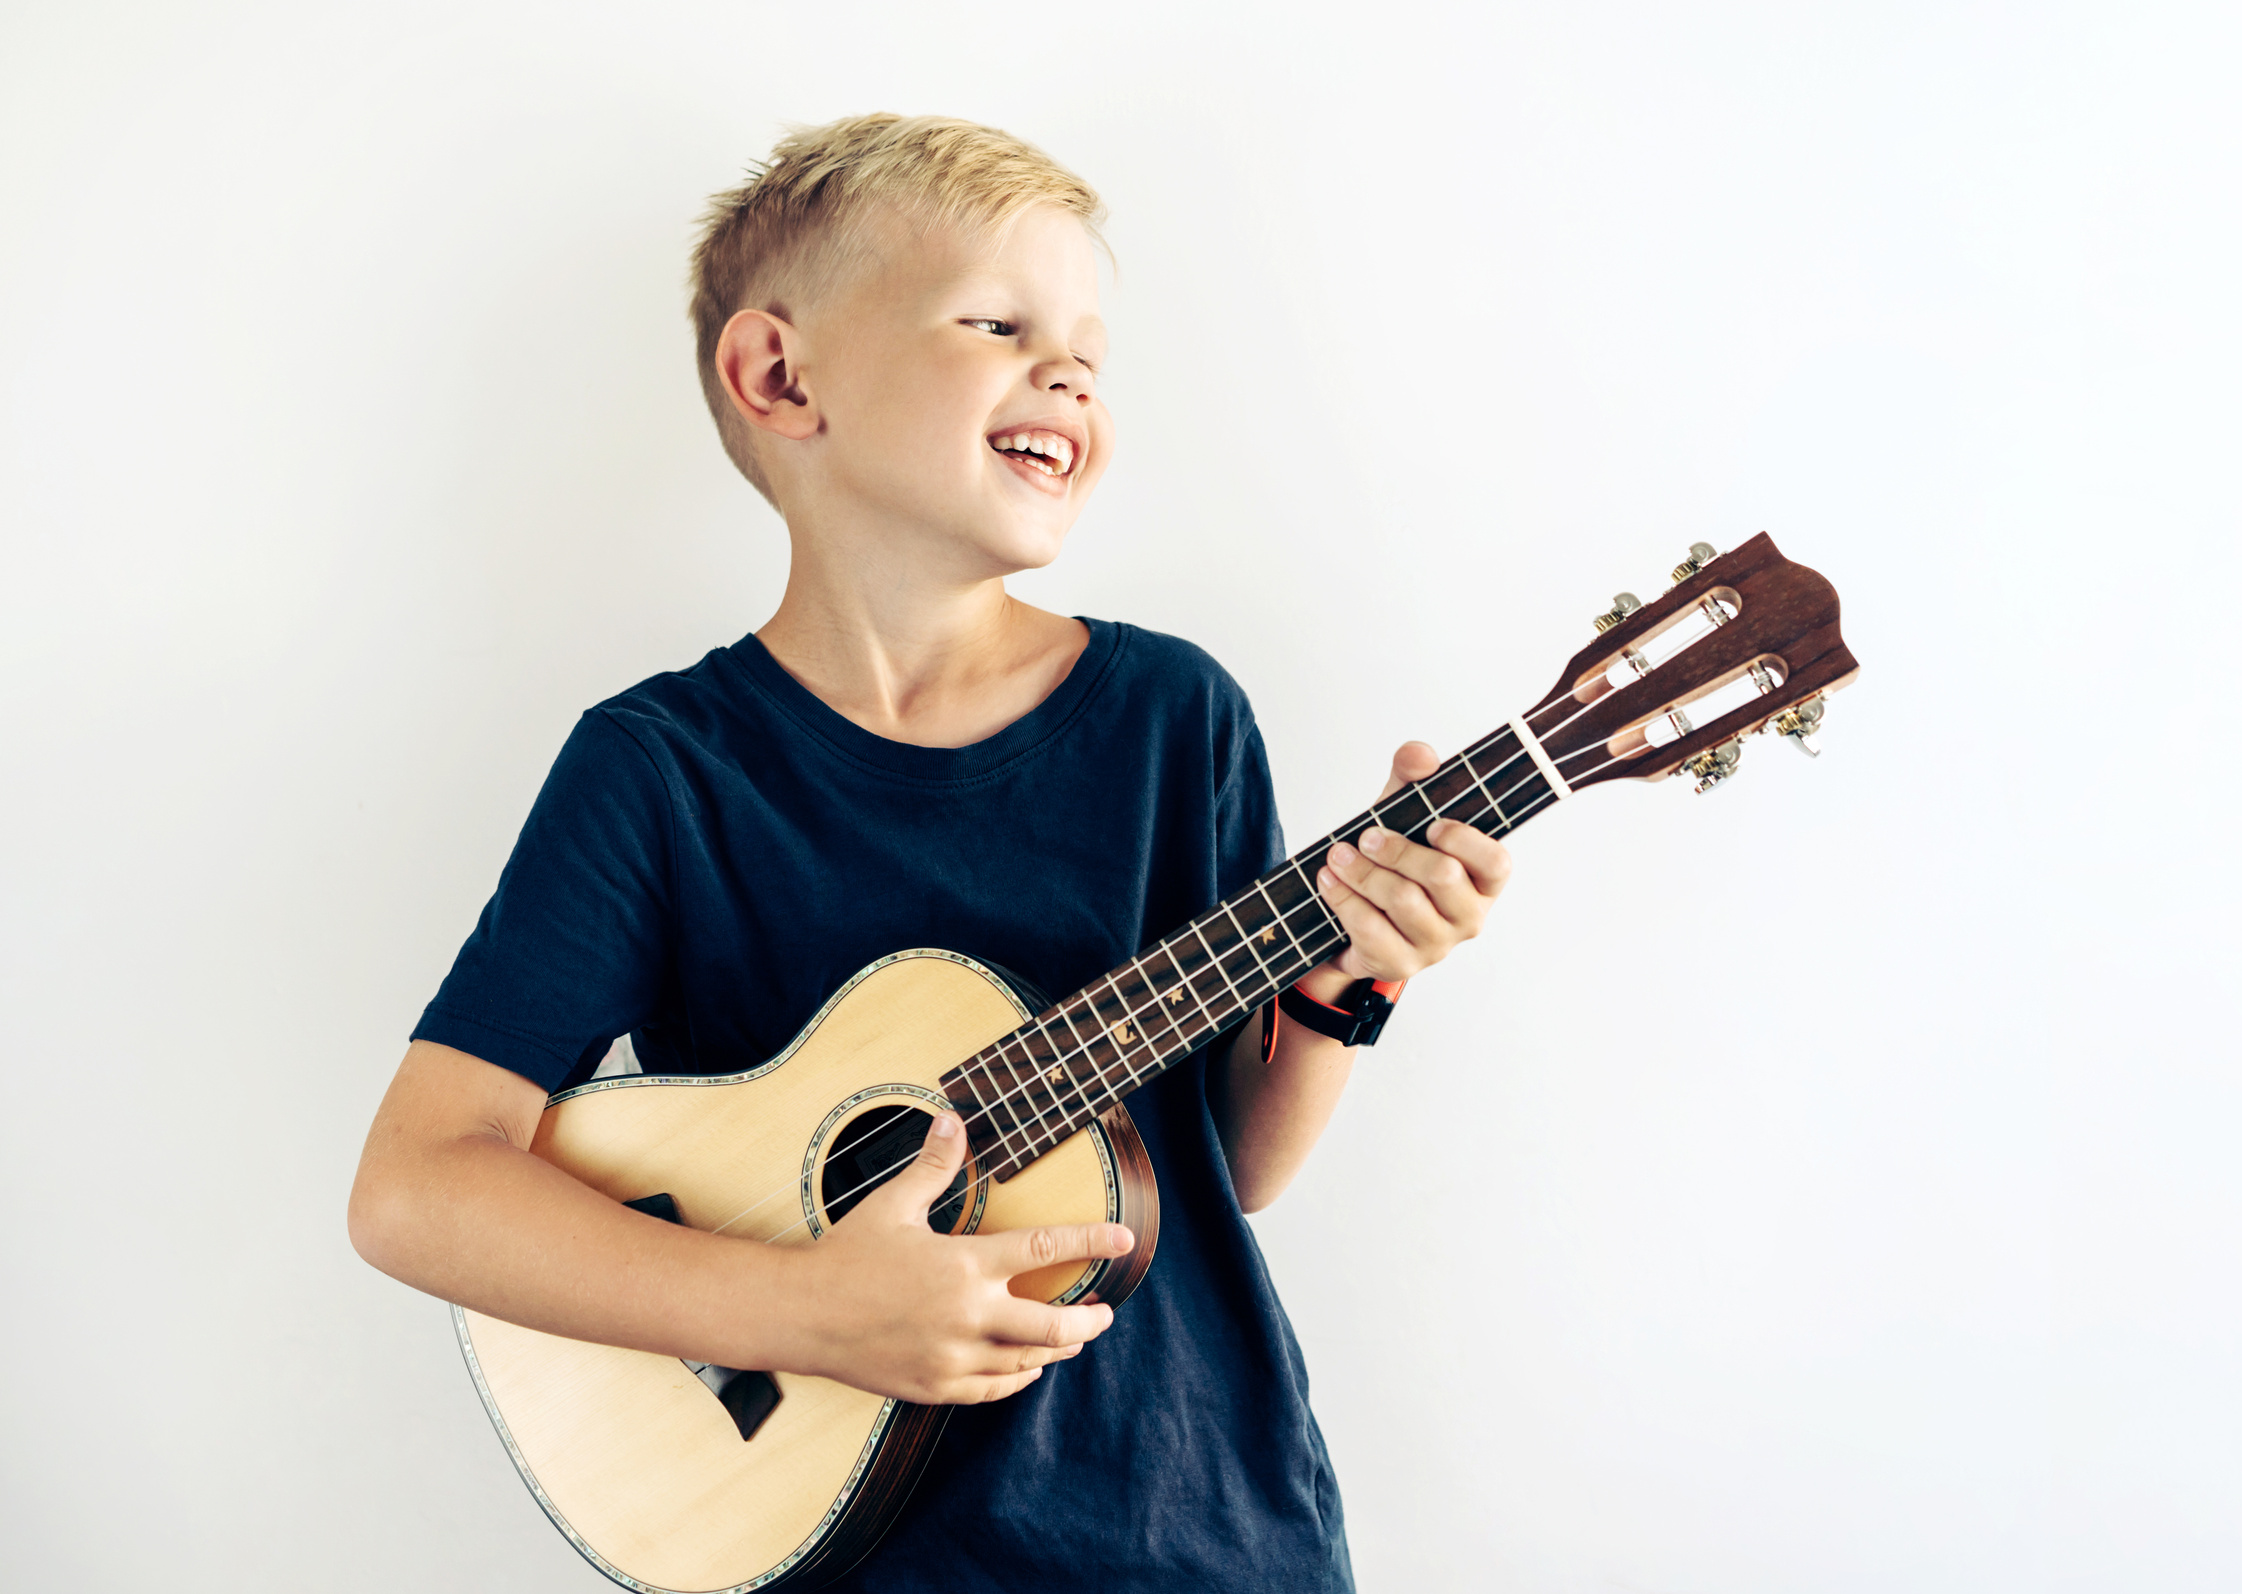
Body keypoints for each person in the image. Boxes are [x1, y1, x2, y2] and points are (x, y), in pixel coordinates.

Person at [348, 112, 1513, 1592]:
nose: (1070, 369)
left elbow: (1229, 1170)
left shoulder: (1173, 716)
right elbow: (414, 1184)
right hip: (845, 1557)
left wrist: (1346, 982)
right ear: (781, 375)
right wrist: (797, 1308)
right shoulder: (663, 772)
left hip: (1195, 1524)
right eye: (997, 321)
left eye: (1088, 342)